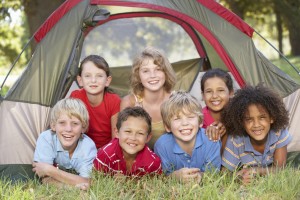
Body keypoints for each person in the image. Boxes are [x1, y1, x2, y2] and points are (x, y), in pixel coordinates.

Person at [221, 85, 292, 185]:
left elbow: (280, 169)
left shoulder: (279, 132)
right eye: (249, 119)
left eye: (262, 117)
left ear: (272, 118)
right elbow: (225, 173)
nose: (256, 125)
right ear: (241, 122)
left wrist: (256, 171)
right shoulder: (236, 140)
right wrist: (238, 179)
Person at [154, 91, 221, 183]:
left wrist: (199, 176)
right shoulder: (162, 145)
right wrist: (174, 176)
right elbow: (162, 177)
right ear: (168, 127)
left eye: (190, 117)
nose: (185, 123)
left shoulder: (211, 139)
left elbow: (214, 174)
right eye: (177, 119)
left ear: (200, 122)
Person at [32, 98, 97, 190]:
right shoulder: (46, 139)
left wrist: (50, 170)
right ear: (53, 126)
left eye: (75, 123)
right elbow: (45, 178)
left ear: (83, 127)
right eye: (62, 123)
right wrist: (73, 188)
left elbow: (88, 182)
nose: (68, 129)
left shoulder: (88, 146)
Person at [120, 47, 176, 150]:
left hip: (171, 159)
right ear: (138, 75)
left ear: (166, 72)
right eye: (145, 71)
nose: (152, 75)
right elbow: (120, 140)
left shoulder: (176, 100)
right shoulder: (130, 102)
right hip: (140, 160)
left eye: (158, 69)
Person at [93, 106, 162, 177]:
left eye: (140, 133)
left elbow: (155, 185)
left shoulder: (153, 162)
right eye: (128, 131)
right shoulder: (105, 155)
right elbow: (95, 180)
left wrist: (128, 182)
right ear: (117, 132)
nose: (133, 138)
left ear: (148, 138)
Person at [70, 55, 121, 149]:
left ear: (107, 81)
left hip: (107, 149)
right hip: (82, 148)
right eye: (88, 76)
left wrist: (102, 153)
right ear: (80, 80)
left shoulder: (114, 101)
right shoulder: (76, 97)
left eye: (99, 76)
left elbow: (116, 138)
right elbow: (72, 129)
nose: (93, 80)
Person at [200, 68, 234, 151]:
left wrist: (228, 125)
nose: (214, 96)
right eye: (209, 91)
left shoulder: (238, 113)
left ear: (230, 93)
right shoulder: (198, 118)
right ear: (203, 95)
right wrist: (207, 134)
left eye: (220, 90)